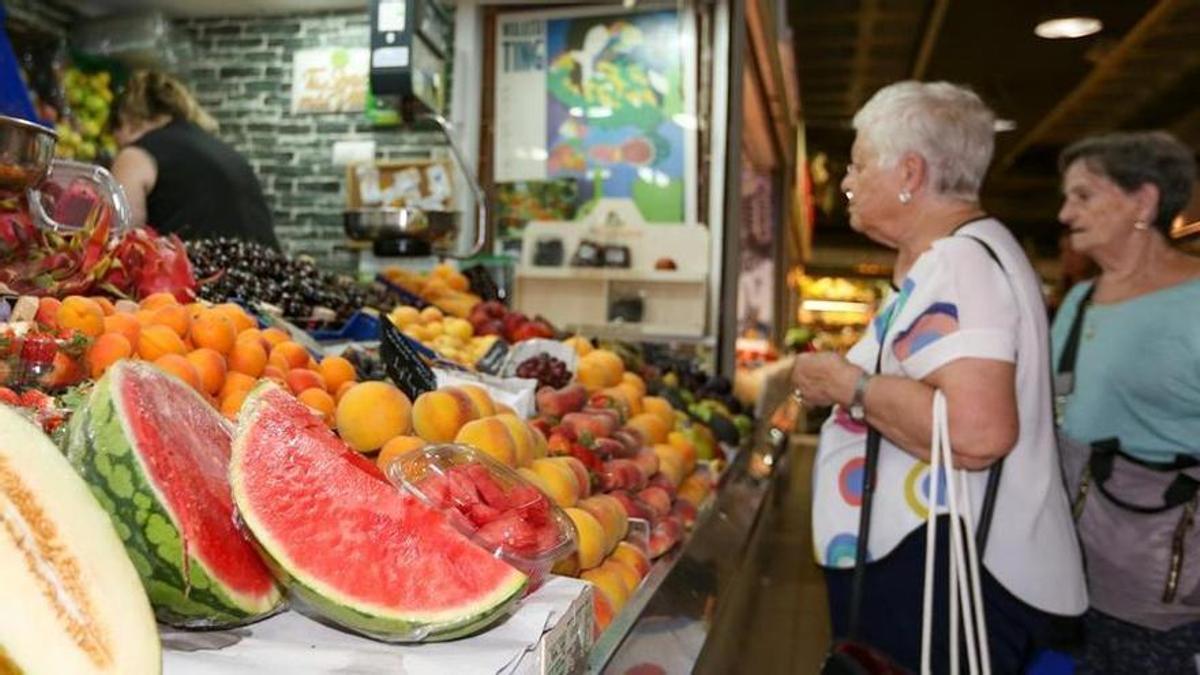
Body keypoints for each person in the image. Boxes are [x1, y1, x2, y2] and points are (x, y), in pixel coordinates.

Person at [791, 81, 1086, 673]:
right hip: (961, 567)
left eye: (858, 164)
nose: (846, 182)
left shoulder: (959, 263)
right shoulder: (978, 249)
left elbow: (977, 434)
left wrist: (846, 384)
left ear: (909, 172)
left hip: (950, 576)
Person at [1052, 131, 1200, 674]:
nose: (1066, 214)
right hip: (1073, 582)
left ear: (1144, 201)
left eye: (1084, 195)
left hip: (1172, 600)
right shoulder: (1079, 300)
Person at [111, 70, 279, 248]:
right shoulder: (222, 150)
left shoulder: (135, 155)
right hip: (264, 269)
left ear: (125, 121)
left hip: (204, 272)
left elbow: (123, 244)